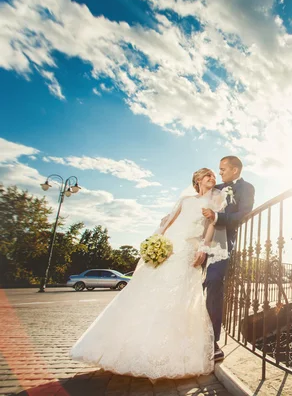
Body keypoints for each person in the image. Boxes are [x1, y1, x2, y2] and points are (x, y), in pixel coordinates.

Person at [70, 168, 228, 380]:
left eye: (213, 176)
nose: (212, 178)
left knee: (179, 296)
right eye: (207, 175)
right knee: (148, 292)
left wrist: (204, 247)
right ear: (198, 179)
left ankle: (171, 354)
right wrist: (156, 241)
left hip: (189, 249)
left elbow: (211, 225)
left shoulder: (217, 199)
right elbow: (168, 223)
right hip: (169, 246)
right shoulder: (185, 200)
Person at [202, 156, 255, 361]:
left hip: (222, 242)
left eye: (223, 169)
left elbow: (242, 214)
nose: (220, 172)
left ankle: (212, 340)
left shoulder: (247, 188)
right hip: (199, 238)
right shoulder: (214, 186)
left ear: (235, 170)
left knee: (214, 283)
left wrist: (216, 218)